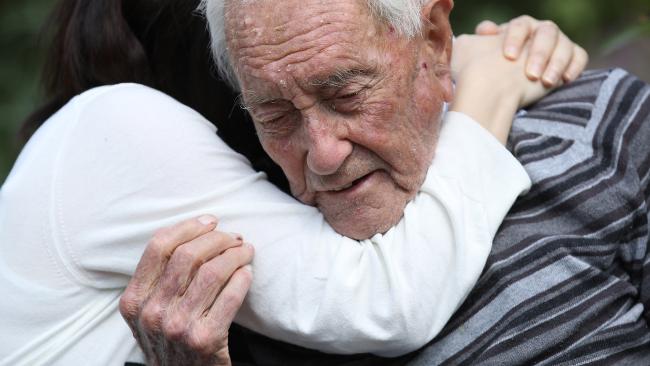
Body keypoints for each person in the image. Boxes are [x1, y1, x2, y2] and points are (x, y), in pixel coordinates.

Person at [0, 1, 584, 366]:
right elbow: (386, 300)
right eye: (272, 110)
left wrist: (445, 57)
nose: (324, 151)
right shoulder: (119, 127)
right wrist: (491, 84)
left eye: (343, 90)